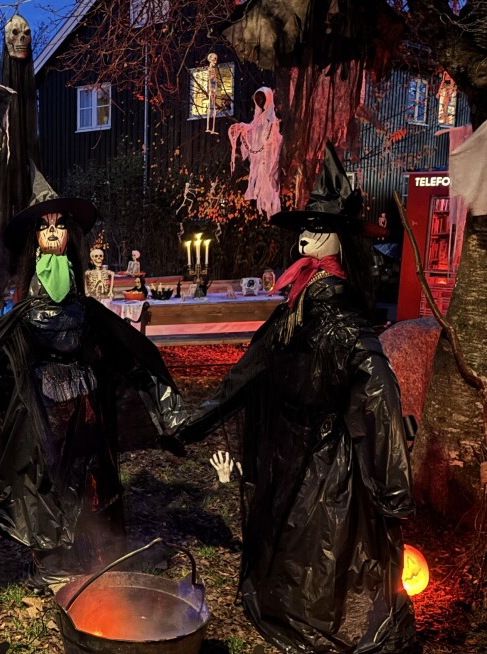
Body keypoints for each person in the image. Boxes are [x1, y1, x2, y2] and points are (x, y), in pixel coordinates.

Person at [179, 143, 417, 653]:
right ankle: (290, 601)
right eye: (305, 225)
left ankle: (313, 610)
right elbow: (251, 369)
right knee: (291, 530)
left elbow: (377, 389)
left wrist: (393, 486)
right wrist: (190, 424)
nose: (305, 235)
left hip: (328, 458)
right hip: (293, 446)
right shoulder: (299, 303)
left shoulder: (341, 318)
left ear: (340, 238)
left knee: (319, 536)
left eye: (318, 227)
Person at [0, 173, 186, 591]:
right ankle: (51, 561)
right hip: (40, 414)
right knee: (44, 483)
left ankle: (91, 553)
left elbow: (131, 353)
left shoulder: (85, 309)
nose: (54, 232)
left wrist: (168, 411)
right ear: (35, 239)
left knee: (89, 481)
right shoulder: (24, 314)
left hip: (84, 412)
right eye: (45, 227)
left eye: (60, 226)